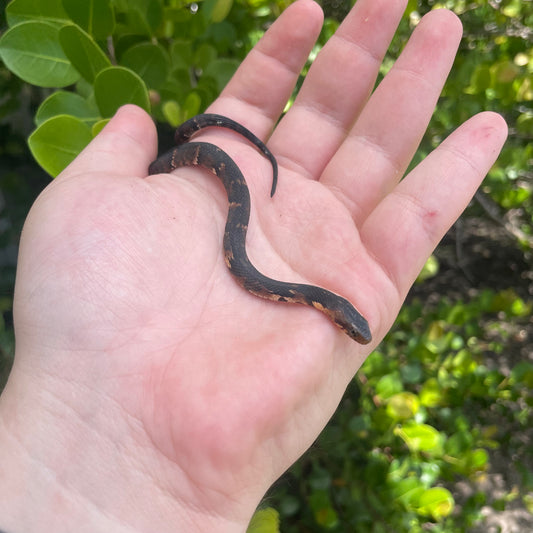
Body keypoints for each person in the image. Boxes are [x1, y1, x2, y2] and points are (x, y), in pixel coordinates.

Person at [0, 0, 507, 531]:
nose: (352, 332)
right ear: (334, 313)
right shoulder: (291, 290)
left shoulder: (300, 294)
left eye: (352, 328)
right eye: (349, 326)